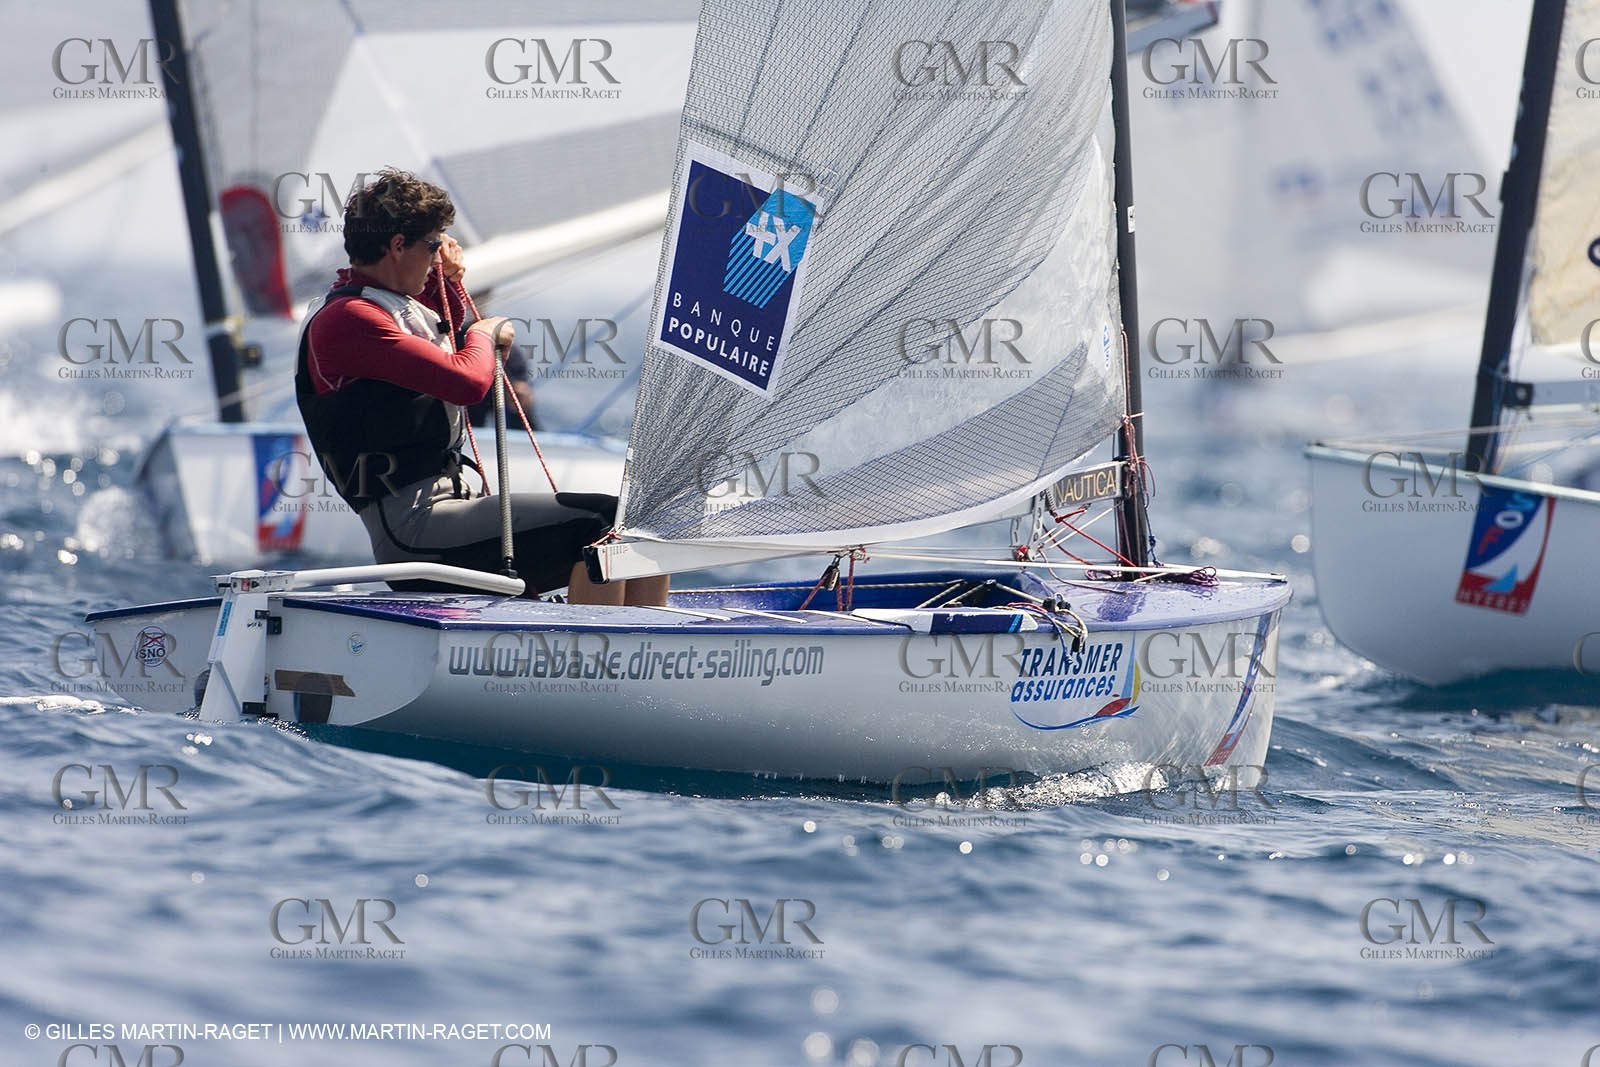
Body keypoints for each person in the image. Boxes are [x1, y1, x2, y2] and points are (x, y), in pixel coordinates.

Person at [294, 167, 666, 606]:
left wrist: (447, 282)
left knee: (641, 524)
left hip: (452, 512)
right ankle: (597, 661)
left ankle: (642, 643)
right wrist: (486, 334)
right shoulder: (349, 319)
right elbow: (469, 382)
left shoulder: (391, 307)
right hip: (416, 531)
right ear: (397, 246)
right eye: (434, 246)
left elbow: (448, 328)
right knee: (602, 522)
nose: (440, 256)